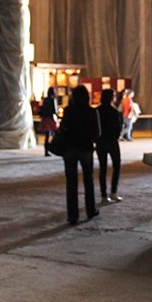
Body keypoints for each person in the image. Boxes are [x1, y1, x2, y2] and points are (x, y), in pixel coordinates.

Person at [58, 85, 100, 224]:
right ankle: (90, 209)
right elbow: (97, 133)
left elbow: (63, 128)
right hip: (86, 148)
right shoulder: (91, 112)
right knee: (88, 180)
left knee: (71, 182)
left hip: (70, 148)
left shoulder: (68, 111)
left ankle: (72, 215)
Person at [95, 88, 123, 203]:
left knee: (103, 168)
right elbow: (118, 127)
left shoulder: (97, 110)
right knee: (116, 165)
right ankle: (113, 191)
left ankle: (103, 195)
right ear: (111, 97)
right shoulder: (114, 111)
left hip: (101, 141)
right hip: (112, 141)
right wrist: (115, 137)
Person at [38, 87, 59, 157]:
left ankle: (46, 151)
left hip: (45, 118)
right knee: (56, 134)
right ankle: (55, 148)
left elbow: (40, 108)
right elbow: (55, 111)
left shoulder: (44, 100)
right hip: (51, 118)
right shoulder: (53, 100)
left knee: (47, 136)